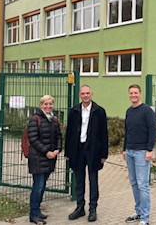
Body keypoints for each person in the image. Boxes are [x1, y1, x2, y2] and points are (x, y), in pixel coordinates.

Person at [65, 85, 108, 222]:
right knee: (79, 179)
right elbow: (69, 132)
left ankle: (93, 209)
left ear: (91, 94)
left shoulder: (99, 111)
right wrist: (67, 151)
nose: (85, 95)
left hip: (93, 150)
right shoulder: (74, 111)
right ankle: (80, 207)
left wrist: (103, 154)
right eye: (83, 93)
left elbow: (104, 134)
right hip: (77, 149)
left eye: (87, 93)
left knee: (93, 179)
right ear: (80, 95)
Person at [123, 84, 156, 225]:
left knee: (143, 185)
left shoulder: (147, 110)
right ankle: (138, 212)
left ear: (140, 94)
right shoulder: (129, 111)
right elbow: (127, 131)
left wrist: (149, 150)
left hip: (142, 152)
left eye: (136, 93)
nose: (133, 95)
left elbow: (152, 130)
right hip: (130, 151)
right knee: (134, 183)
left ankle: (145, 218)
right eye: (131, 93)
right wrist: (124, 149)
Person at [27, 95, 62, 224]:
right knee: (38, 186)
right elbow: (33, 139)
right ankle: (33, 214)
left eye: (50, 104)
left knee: (42, 186)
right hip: (38, 158)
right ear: (41, 105)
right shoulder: (35, 119)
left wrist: (58, 149)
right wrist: (46, 152)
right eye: (45, 104)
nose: (48, 106)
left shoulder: (54, 119)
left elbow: (59, 136)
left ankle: (37, 212)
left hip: (50, 158)